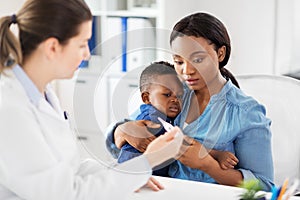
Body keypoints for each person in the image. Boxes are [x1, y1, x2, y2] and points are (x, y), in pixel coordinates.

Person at [0, 0, 184, 199]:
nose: (87, 54)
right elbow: (65, 194)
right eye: (82, 44)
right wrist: (149, 160)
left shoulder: (43, 94)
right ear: (52, 47)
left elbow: (71, 170)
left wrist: (130, 173)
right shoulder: (10, 108)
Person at [106, 12, 274, 191]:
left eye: (198, 60)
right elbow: (119, 139)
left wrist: (208, 165)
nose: (187, 71)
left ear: (220, 53)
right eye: (179, 61)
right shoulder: (173, 93)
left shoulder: (246, 112)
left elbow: (264, 186)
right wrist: (121, 131)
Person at [116, 61, 239, 177]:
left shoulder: (164, 115)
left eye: (180, 96)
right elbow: (183, 144)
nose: (175, 100)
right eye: (167, 95)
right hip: (135, 177)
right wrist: (218, 155)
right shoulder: (153, 119)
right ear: (146, 98)